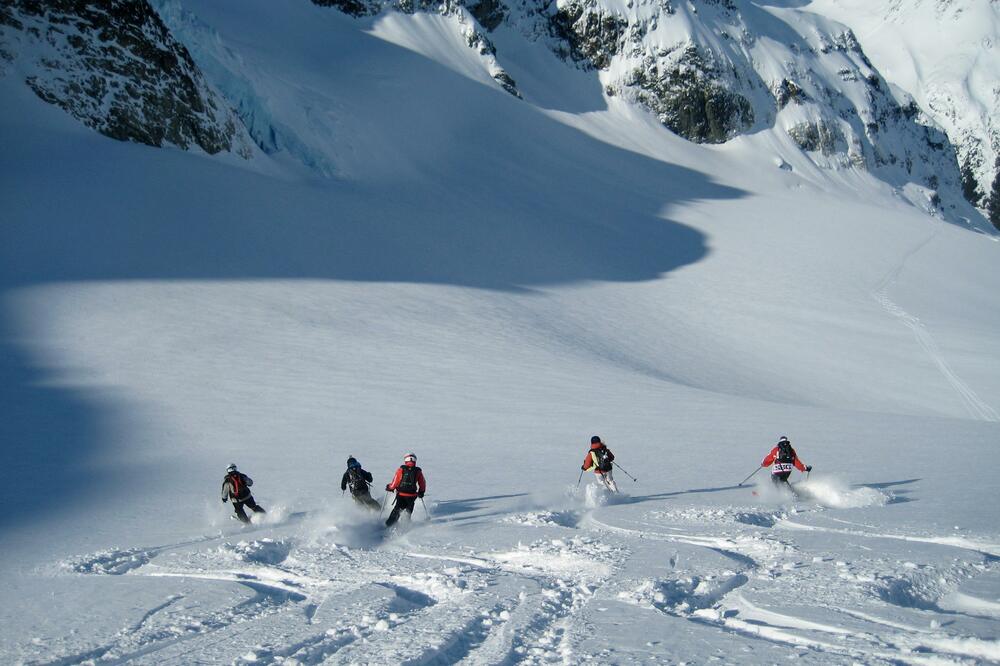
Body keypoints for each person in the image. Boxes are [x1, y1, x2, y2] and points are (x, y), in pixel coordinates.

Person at [384, 453, 426, 527]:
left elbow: (395, 482)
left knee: (397, 509)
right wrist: (421, 492)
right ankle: (405, 526)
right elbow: (422, 483)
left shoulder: (401, 470)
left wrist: (390, 487)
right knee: (408, 510)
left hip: (401, 494)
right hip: (412, 495)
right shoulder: (418, 471)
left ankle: (389, 524)